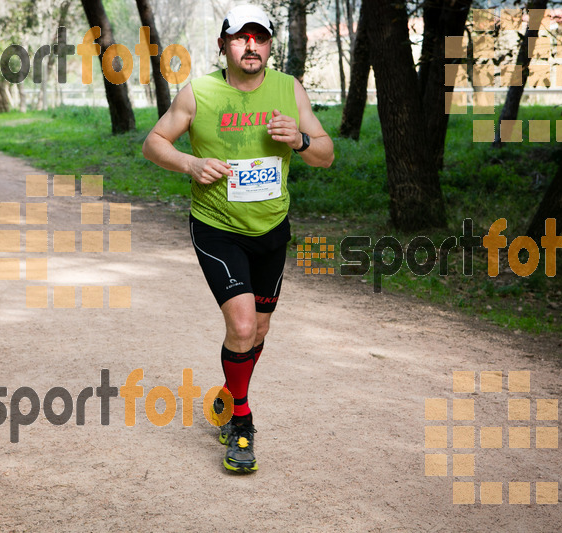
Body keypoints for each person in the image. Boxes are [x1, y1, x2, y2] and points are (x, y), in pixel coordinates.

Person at [142, 4, 334, 473]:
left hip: (272, 227)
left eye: (260, 37)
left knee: (260, 330)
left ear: (269, 44)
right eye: (240, 37)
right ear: (224, 45)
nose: (251, 45)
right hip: (216, 227)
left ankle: (230, 395)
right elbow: (154, 142)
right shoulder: (199, 93)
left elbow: (326, 154)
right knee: (244, 326)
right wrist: (189, 164)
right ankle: (242, 424)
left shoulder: (289, 90)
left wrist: (301, 142)